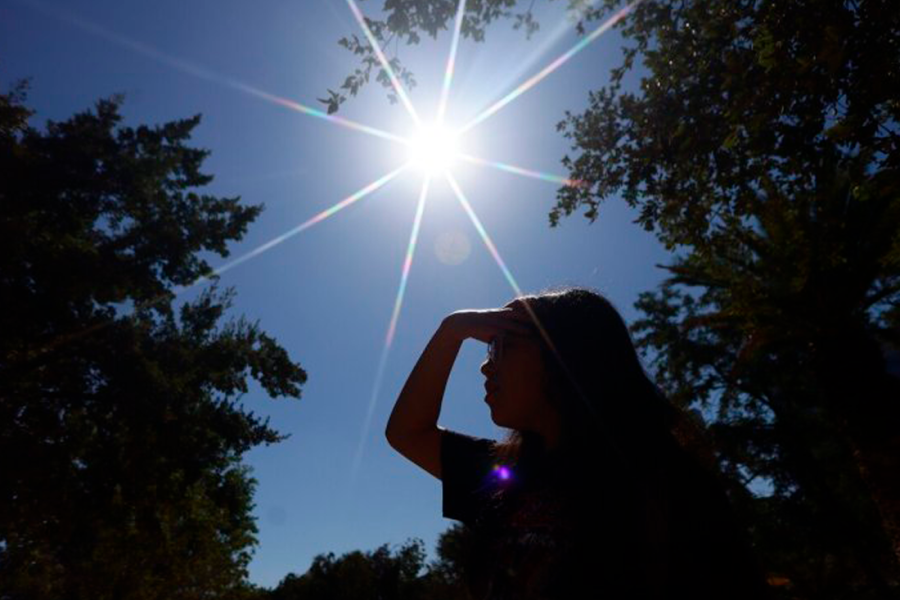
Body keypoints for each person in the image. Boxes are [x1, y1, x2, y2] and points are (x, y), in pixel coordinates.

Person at [385, 286, 771, 599]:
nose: (487, 365)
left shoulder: (669, 487)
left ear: (564, 356)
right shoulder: (504, 475)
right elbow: (406, 432)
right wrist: (452, 329)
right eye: (489, 348)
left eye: (504, 345)